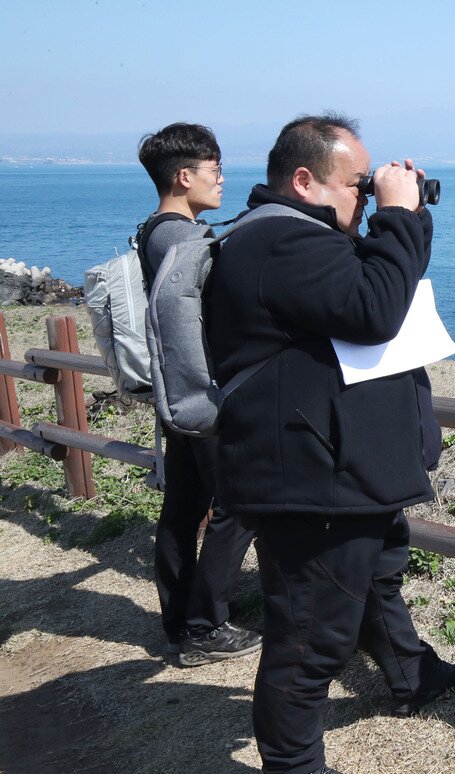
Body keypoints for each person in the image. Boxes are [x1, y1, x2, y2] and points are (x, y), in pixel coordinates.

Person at [204, 113, 455, 774]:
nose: (366, 196)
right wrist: (400, 216)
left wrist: (399, 217)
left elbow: (373, 291)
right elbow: (377, 306)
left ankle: (414, 676)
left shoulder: (291, 241)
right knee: (307, 646)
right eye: (358, 184)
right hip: (311, 479)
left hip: (337, 471)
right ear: (305, 180)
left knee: (378, 574)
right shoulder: (278, 242)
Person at [135, 122, 262, 666]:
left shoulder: (151, 230)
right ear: (184, 176)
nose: (222, 179)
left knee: (184, 506)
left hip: (180, 393)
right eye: (214, 171)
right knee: (240, 505)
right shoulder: (181, 237)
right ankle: (205, 625)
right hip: (204, 394)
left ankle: (180, 622)